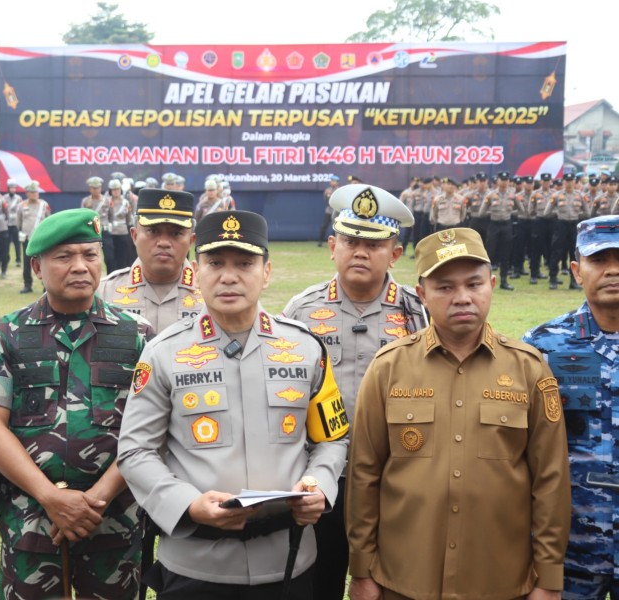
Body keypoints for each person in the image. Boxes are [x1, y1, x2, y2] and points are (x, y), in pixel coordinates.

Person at [118, 210, 349, 600]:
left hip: (288, 561)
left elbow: (332, 438)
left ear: (267, 272)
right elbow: (135, 450)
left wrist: (320, 485)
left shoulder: (306, 348)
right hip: (195, 564)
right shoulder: (163, 353)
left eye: (244, 263)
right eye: (215, 263)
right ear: (196, 269)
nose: (228, 276)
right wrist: (188, 504)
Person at [346, 226, 571, 600]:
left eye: (474, 284)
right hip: (404, 580)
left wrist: (548, 577)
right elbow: (364, 473)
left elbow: (550, 481)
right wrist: (362, 570)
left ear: (492, 285)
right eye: (445, 287)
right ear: (422, 295)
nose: (462, 298)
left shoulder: (529, 369)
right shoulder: (388, 367)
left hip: (499, 581)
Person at [0, 208, 153, 599]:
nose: (80, 267)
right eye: (64, 257)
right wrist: (51, 497)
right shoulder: (4, 335)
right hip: (30, 519)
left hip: (113, 520)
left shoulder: (137, 336)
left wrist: (96, 500)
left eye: (90, 255)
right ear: (37, 265)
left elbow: (150, 431)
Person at [282, 183, 427, 600]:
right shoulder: (301, 311)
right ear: (332, 246)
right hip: (320, 478)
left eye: (373, 243)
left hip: (393, 477)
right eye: (350, 240)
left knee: (386, 582)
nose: (360, 251)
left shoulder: (418, 313)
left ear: (395, 254)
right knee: (318, 580)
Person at [523, 215, 619, 600]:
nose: (613, 270)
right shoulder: (544, 345)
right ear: (578, 271)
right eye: (600, 260)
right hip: (573, 548)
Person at [97, 188, 203, 334]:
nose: (164, 242)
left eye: (176, 233)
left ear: (191, 241)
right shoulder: (103, 293)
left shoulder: (210, 294)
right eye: (153, 231)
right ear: (134, 236)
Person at [478, 171, 526, 291]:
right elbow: (481, 212)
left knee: (506, 253)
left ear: (509, 181)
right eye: (502, 180)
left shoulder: (513, 195)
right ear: (498, 181)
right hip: (494, 225)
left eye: (506, 180)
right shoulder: (490, 195)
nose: (504, 182)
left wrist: (509, 213)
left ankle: (504, 281)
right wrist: (493, 213)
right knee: (490, 253)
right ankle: (485, 280)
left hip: (507, 225)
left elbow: (522, 210)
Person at [545, 173, 588, 290]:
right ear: (563, 182)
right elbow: (547, 212)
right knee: (556, 252)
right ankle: (553, 278)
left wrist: (577, 215)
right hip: (561, 225)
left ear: (574, 182)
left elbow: (587, 212)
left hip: (574, 225)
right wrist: (557, 214)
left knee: (574, 254)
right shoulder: (557, 195)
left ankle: (573, 281)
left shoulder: (580, 195)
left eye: (571, 180)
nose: (569, 183)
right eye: (567, 180)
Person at [16, 180, 51, 293]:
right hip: (27, 238)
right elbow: (19, 222)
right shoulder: (21, 205)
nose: (34, 194)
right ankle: (27, 285)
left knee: (44, 262)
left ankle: (46, 286)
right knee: (27, 263)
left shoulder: (44, 205)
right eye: (31, 192)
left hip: (41, 239)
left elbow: (48, 220)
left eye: (36, 192)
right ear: (27, 193)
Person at [317, 175, 340, 246]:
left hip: (336, 211)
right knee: (324, 226)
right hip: (329, 211)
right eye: (331, 181)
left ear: (337, 182)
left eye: (334, 181)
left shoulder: (339, 190)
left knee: (336, 227)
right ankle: (320, 241)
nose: (332, 182)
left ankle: (335, 242)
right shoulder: (328, 190)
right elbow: (326, 200)